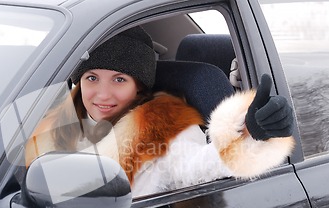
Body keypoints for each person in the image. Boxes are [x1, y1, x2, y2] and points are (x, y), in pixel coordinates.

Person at [24, 26, 295, 198]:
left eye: (119, 79)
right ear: (78, 81)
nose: (102, 94)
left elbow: (195, 166)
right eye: (92, 78)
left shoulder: (163, 127)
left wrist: (249, 136)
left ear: (139, 86)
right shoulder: (52, 123)